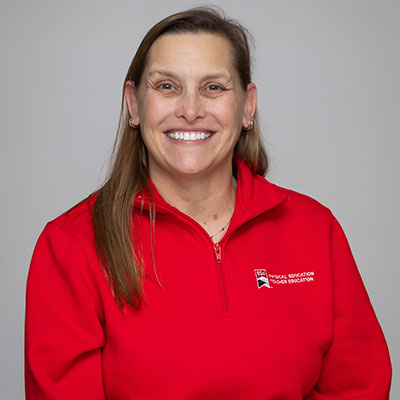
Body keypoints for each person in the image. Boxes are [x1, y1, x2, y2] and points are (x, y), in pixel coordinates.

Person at [25, 7, 392, 399]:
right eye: (167, 86)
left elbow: (359, 387)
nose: (190, 109)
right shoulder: (71, 245)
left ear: (247, 106)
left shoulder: (315, 229)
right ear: (133, 104)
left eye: (213, 87)